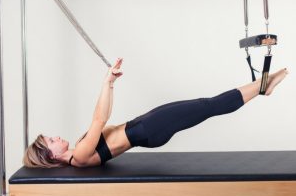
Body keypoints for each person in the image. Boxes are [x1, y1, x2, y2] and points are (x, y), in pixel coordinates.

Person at [23, 58, 289, 168]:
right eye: (51, 141)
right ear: (52, 155)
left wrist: (109, 83)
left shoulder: (78, 153)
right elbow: (99, 119)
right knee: (209, 106)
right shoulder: (79, 157)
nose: (56, 137)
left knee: (207, 105)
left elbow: (99, 120)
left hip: (144, 125)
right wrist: (108, 83)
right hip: (148, 129)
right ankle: (263, 87)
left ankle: (262, 88)